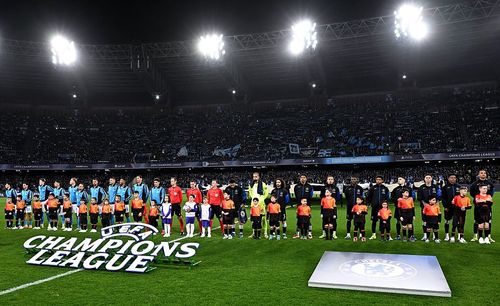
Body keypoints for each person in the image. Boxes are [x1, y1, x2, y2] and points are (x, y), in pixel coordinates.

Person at [469, 170, 495, 242]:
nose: (483, 174)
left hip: (488, 206)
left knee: (488, 221)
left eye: (484, 173)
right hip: (478, 205)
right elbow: (471, 193)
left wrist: (487, 198)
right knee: (476, 220)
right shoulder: (474, 184)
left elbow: (492, 192)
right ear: (479, 174)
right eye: (481, 173)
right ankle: (475, 236)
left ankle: (488, 236)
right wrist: (478, 198)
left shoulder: (490, 183)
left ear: (486, 174)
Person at [417, 174, 441, 241]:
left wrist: (437, 204)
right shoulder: (421, 187)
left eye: (429, 177)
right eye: (426, 178)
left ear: (431, 179)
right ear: (424, 179)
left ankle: (434, 235)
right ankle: (425, 235)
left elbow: (439, 196)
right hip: (425, 208)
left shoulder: (436, 187)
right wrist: (425, 205)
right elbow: (419, 198)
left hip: (434, 208)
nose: (428, 179)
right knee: (425, 221)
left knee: (434, 222)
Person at [367, 175, 390, 240]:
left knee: (383, 221)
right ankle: (373, 234)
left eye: (379, 179)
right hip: (374, 208)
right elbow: (369, 197)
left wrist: (386, 205)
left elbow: (387, 198)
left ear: (382, 180)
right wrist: (371, 203)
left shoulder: (385, 188)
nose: (378, 180)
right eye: (377, 179)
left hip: (382, 209)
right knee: (374, 221)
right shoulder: (372, 188)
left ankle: (383, 234)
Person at [249, 172, 270, 238]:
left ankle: (265, 233)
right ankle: (254, 233)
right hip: (253, 204)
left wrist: (261, 199)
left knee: (263, 219)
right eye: (253, 176)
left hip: (261, 204)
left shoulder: (263, 184)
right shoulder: (251, 185)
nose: (254, 178)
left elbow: (266, 193)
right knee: (253, 219)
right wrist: (253, 198)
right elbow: (250, 192)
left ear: (259, 177)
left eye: (256, 176)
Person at [441, 174, 461, 242]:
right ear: (448, 178)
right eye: (451, 178)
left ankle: (459, 235)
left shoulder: (459, 187)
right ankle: (447, 235)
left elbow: (461, 197)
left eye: (454, 178)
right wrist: (445, 206)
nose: (453, 179)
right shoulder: (445, 187)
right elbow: (443, 198)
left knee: (458, 222)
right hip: (448, 207)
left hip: (457, 208)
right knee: (447, 221)